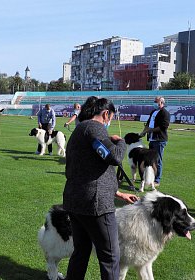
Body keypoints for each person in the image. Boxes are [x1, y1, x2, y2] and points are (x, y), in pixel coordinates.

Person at [63, 96, 139, 280]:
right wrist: (120, 142)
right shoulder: (94, 128)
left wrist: (118, 193)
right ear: (106, 114)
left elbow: (88, 169)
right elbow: (113, 157)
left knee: (81, 251)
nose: (110, 122)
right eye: (110, 117)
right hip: (94, 204)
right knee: (110, 255)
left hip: (75, 200)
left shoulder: (80, 129)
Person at [140, 96, 170, 187]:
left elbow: (163, 127)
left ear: (161, 103)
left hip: (159, 140)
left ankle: (157, 180)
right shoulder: (153, 112)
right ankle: (150, 177)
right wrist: (144, 132)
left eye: (156, 102)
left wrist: (150, 130)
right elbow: (148, 123)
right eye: (154, 101)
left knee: (158, 160)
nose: (154, 103)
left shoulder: (165, 113)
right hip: (152, 139)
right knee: (151, 159)